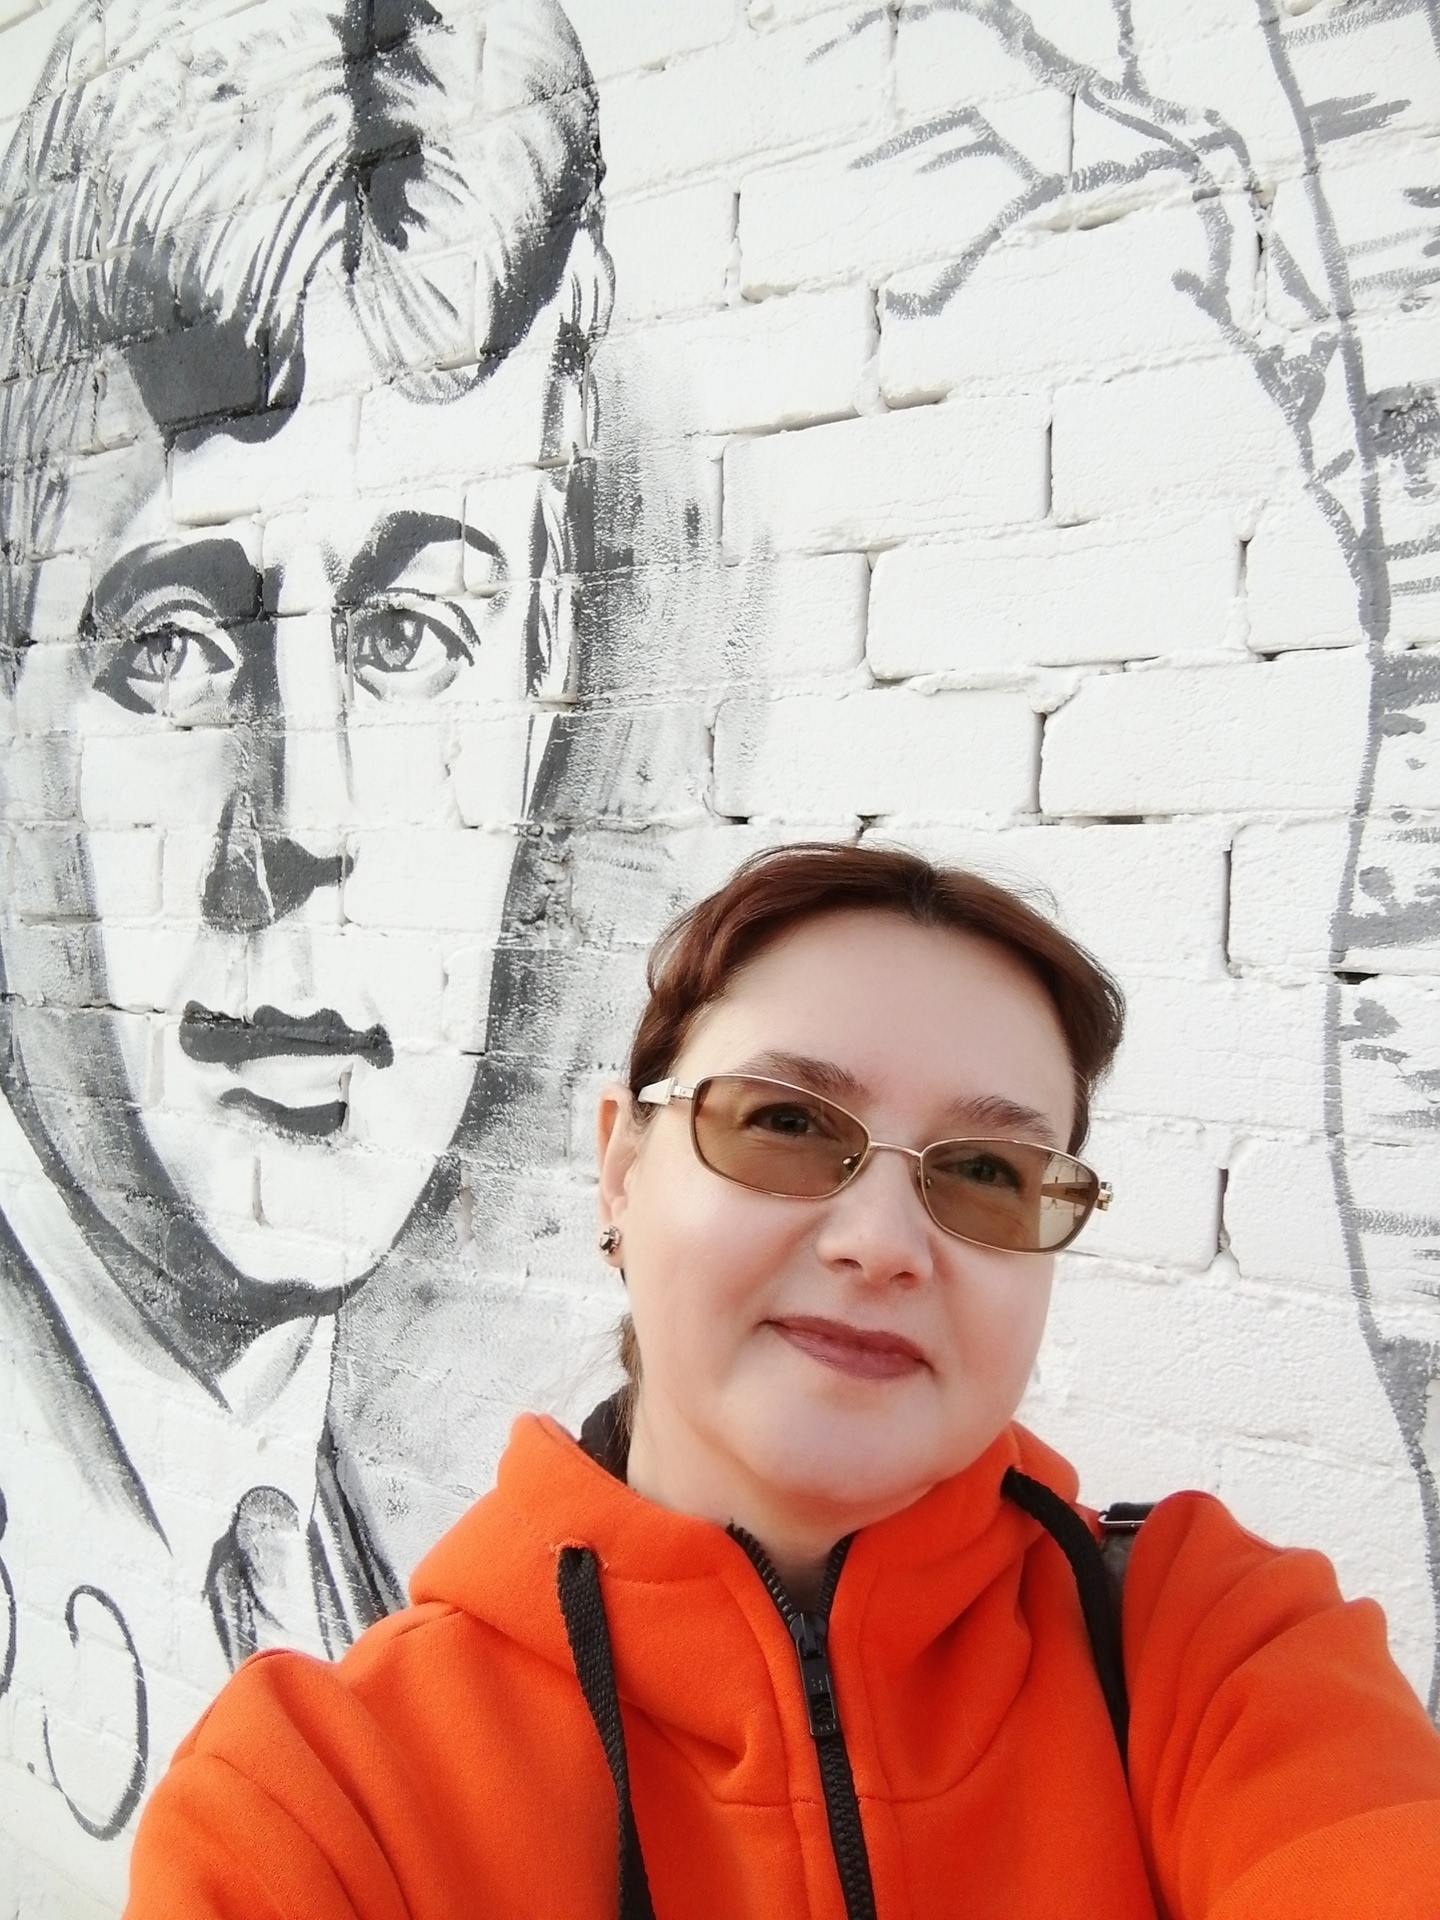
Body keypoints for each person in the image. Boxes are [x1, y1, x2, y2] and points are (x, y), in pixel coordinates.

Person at [123, 841, 1440, 1919]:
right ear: (622, 1170)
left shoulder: (1210, 1648)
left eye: (988, 1172)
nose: (882, 1244)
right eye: (788, 1124)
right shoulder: (324, 1806)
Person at [0, 0, 611, 1893]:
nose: (311, 817)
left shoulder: (378, 1602)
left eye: (411, 635)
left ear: (545, 673)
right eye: (177, 643)